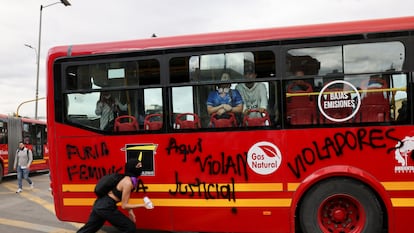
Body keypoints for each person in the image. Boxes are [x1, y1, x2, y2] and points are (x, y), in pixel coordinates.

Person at [77, 159, 153, 233]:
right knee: (129, 228)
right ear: (132, 168)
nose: (141, 168)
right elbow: (124, 205)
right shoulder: (128, 183)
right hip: (106, 206)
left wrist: (131, 212)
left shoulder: (127, 179)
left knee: (89, 229)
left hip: (101, 204)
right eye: (138, 166)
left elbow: (125, 199)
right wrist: (143, 205)